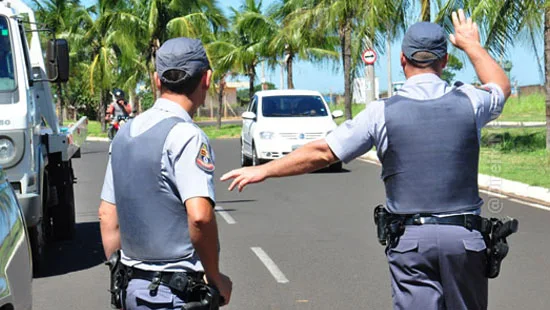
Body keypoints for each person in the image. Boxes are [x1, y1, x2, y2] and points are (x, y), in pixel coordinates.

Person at [221, 10, 511, 310]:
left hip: (411, 242)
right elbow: (500, 86)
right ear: (445, 61)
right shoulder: (472, 102)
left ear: (402, 60)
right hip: (464, 240)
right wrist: (472, 45)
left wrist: (264, 169)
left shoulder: (381, 112)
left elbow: (323, 152)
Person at [99, 37, 232, 309]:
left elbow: (106, 214)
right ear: (206, 79)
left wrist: (121, 275)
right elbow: (199, 217)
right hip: (175, 295)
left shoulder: (125, 133)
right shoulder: (186, 136)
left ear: (157, 81)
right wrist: (215, 277)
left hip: (132, 289)